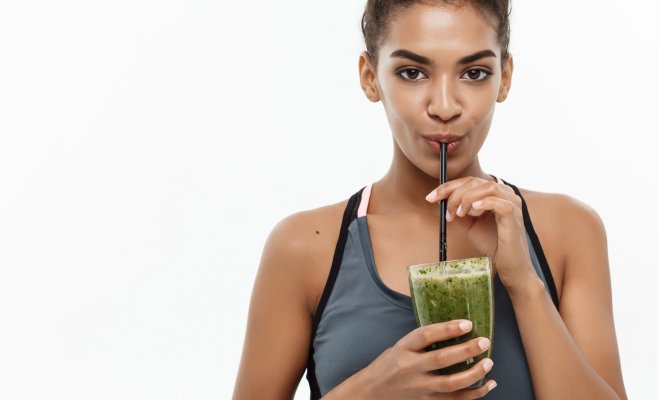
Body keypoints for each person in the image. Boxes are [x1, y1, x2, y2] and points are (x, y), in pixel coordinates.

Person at [233, 1, 628, 399]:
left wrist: (524, 283)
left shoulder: (568, 231)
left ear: (504, 78)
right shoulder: (304, 247)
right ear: (370, 78)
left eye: (474, 73)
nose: (444, 107)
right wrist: (372, 389)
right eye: (412, 73)